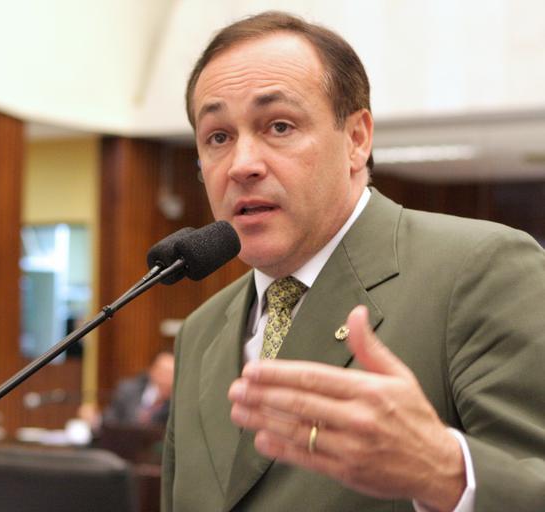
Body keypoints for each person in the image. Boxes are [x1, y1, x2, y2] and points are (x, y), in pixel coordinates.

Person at [162, 11, 545, 512]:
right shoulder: (201, 329)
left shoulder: (480, 270)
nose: (242, 165)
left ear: (357, 139)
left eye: (279, 126)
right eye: (218, 137)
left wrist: (445, 471)